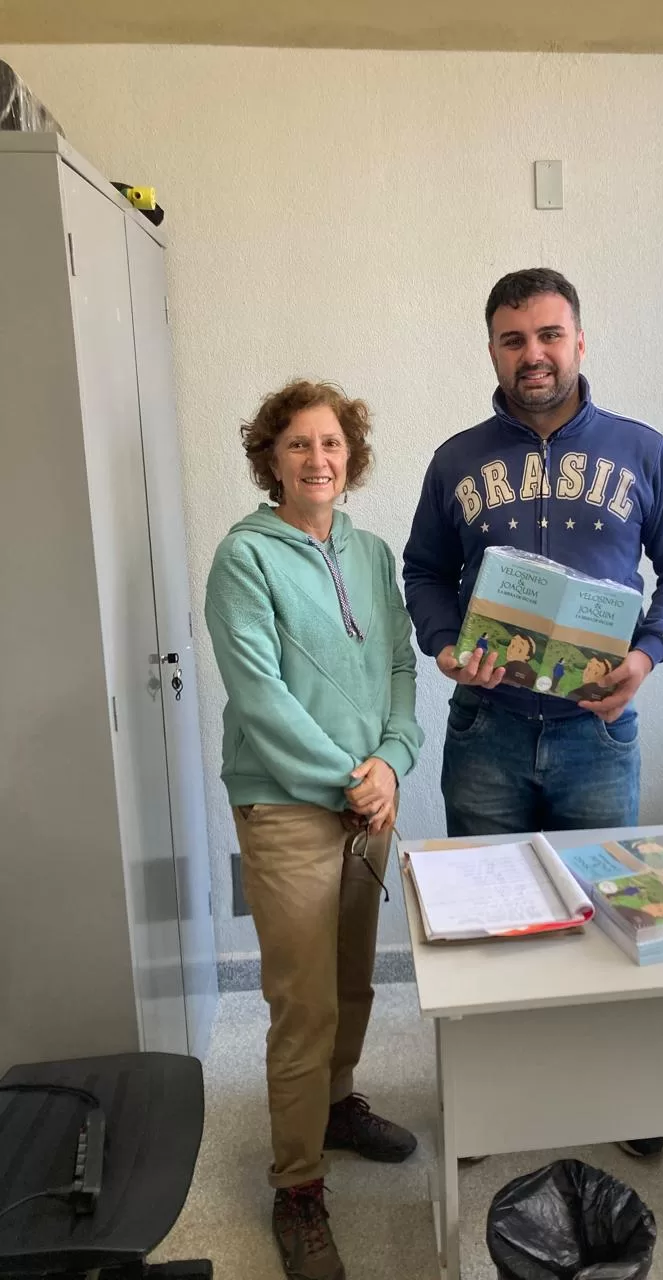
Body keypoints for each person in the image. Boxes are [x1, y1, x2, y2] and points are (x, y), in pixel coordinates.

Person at [403, 268, 663, 1158]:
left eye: (548, 335)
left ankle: (616, 1096)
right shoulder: (456, 460)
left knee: (613, 918)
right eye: (512, 339)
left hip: (597, 732)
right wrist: (441, 641)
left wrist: (647, 655)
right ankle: (487, 1098)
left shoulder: (641, 451)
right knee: (484, 928)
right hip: (487, 729)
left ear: (579, 341)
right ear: (493, 349)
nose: (532, 355)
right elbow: (424, 570)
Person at [206, 380, 424, 1280]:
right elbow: (259, 698)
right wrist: (349, 779)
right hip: (292, 807)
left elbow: (402, 666)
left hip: (370, 800)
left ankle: (336, 1107)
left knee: (353, 982)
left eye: (331, 443)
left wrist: (394, 762)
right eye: (298, 444)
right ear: (271, 460)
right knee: (305, 1007)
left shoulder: (372, 554)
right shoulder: (243, 560)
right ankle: (296, 1190)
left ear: (351, 455)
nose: (318, 459)